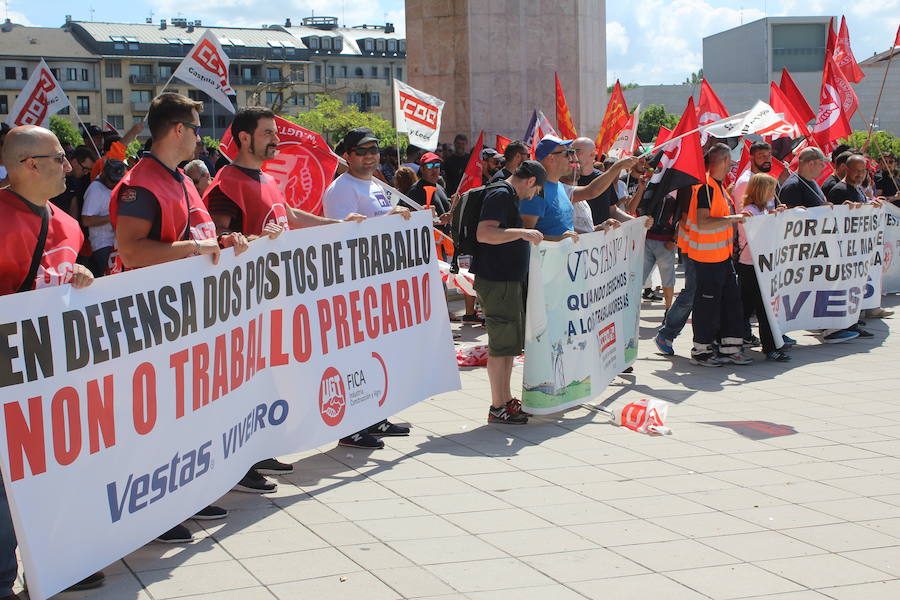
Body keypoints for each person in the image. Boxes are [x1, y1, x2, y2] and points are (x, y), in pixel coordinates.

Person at [109, 92, 248, 541]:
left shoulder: (183, 180)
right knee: (156, 417)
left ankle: (185, 492)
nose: (201, 135)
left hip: (186, 314)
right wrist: (197, 248)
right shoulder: (141, 183)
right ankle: (156, 510)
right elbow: (132, 250)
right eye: (195, 126)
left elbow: (203, 234)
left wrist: (225, 242)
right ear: (176, 131)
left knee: (187, 408)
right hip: (149, 317)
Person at [204, 106, 366, 491]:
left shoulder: (263, 177)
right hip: (241, 306)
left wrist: (337, 226)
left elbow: (288, 215)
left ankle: (257, 452)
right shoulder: (226, 182)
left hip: (268, 302)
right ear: (244, 138)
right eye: (267, 134)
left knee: (265, 382)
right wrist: (261, 242)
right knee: (241, 387)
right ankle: (238, 467)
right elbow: (221, 240)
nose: (277, 140)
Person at [0, 125, 105, 595]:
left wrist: (79, 275)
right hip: (7, 374)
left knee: (54, 469)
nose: (70, 166)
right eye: (59, 157)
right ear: (29, 165)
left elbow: (59, 279)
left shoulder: (66, 223)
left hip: (51, 375)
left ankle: (57, 561)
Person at [322, 127, 414, 449]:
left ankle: (375, 416)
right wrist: (388, 217)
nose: (370, 155)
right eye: (362, 150)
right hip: (352, 287)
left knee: (376, 354)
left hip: (377, 284)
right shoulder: (341, 189)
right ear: (346, 155)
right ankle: (351, 426)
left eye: (374, 149)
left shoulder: (375, 185)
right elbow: (340, 236)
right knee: (353, 358)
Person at [472, 161, 547, 423]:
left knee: (507, 346)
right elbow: (485, 233)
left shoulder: (505, 194)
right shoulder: (501, 194)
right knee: (501, 345)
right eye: (536, 189)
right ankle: (498, 405)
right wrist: (522, 232)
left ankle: (504, 400)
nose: (534, 194)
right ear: (529, 181)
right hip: (497, 280)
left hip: (505, 280)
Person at [683, 143, 752, 367]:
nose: (732, 164)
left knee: (731, 302)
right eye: (730, 161)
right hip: (707, 258)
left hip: (721, 257)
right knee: (707, 306)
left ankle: (729, 348)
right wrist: (734, 219)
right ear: (723, 161)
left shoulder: (718, 187)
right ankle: (701, 350)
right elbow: (703, 222)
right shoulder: (706, 187)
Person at [520, 136, 638, 240]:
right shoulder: (536, 190)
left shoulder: (560, 187)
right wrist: (557, 241)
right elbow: (526, 236)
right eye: (567, 153)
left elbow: (568, 230)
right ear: (551, 158)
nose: (572, 158)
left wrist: (598, 229)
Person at [736, 174, 792, 361]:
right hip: (751, 266)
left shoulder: (765, 210)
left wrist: (778, 216)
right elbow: (754, 235)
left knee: (746, 307)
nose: (773, 193)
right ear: (760, 191)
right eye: (770, 190)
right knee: (762, 308)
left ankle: (731, 339)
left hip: (763, 266)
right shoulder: (750, 211)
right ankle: (770, 348)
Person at [81, 158, 125, 277]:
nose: (114, 184)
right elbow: (86, 220)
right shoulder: (95, 190)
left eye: (117, 181)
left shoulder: (112, 186)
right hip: (103, 244)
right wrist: (113, 217)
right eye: (112, 181)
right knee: (112, 280)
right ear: (104, 174)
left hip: (117, 242)